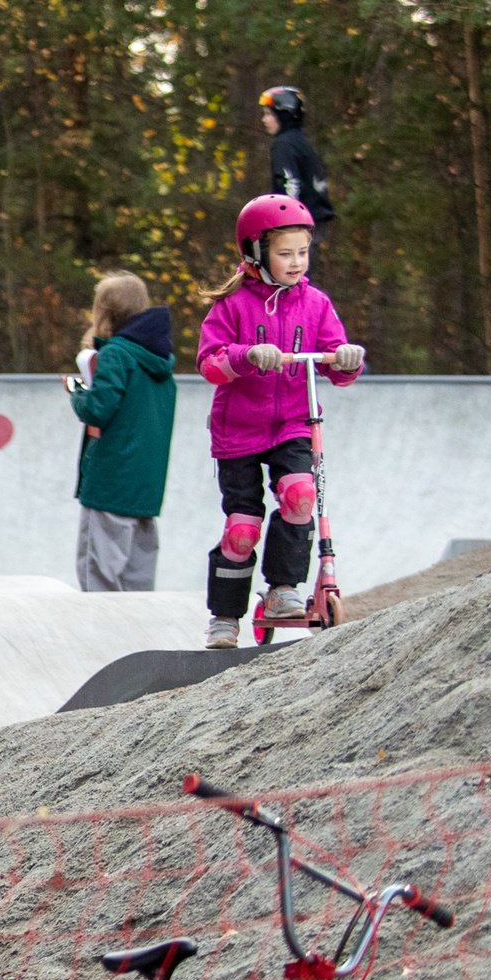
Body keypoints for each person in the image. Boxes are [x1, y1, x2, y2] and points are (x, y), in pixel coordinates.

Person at [197, 195, 366, 649]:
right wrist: (246, 355)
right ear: (256, 253)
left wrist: (347, 360)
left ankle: (282, 589)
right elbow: (210, 364)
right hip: (238, 431)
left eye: (303, 252)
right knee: (242, 528)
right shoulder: (233, 304)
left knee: (299, 495)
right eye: (285, 252)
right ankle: (225, 615)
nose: (296, 262)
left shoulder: (315, 303)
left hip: (293, 421)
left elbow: (337, 364)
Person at [64, 274, 175, 592]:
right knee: (138, 577)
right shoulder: (160, 360)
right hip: (146, 482)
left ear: (104, 312)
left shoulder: (116, 354)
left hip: (111, 476)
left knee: (98, 575)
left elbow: (98, 410)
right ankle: (138, 635)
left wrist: (77, 391)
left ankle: (100, 637)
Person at [260, 86, 333, 245]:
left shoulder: (284, 144)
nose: (264, 120)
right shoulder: (300, 140)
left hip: (299, 227)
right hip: (313, 222)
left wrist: (286, 225)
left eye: (268, 114)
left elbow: (290, 183)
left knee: (292, 268)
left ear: (283, 115)